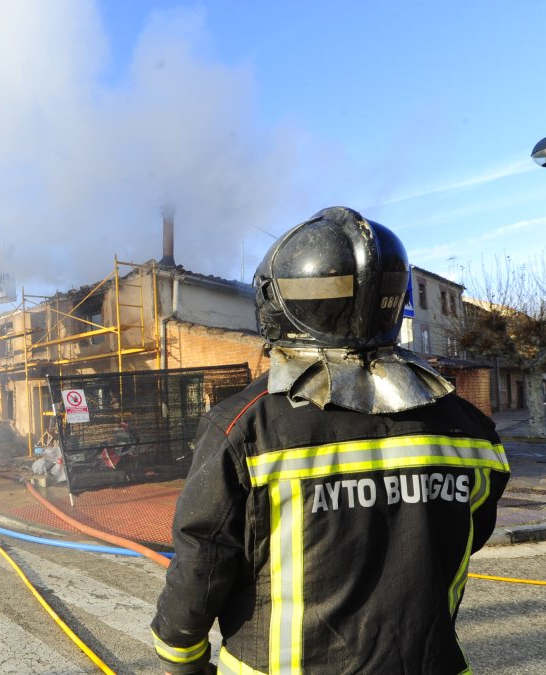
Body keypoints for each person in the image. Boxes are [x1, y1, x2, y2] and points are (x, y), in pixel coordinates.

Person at [151, 207, 510, 674]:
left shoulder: (245, 424)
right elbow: (468, 534)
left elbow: (204, 558)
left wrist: (182, 658)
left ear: (279, 302)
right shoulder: (466, 424)